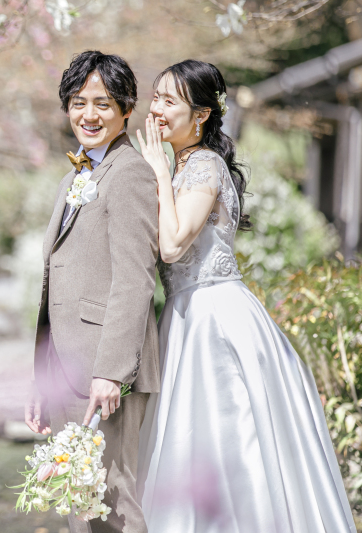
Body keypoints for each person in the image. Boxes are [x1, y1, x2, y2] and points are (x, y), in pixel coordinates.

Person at [135, 59, 355, 533]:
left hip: (214, 321)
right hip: (187, 316)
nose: (155, 109)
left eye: (169, 100)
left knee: (231, 438)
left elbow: (173, 246)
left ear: (201, 116)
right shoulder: (185, 165)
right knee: (192, 440)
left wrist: (155, 168)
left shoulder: (205, 165)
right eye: (155, 97)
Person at [25, 50, 159, 533]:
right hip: (66, 365)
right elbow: (54, 284)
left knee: (113, 501)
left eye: (103, 104)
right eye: (78, 102)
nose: (89, 115)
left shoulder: (130, 174)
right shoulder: (72, 177)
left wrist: (111, 372)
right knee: (79, 500)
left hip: (108, 368)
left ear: (127, 109)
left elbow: (135, 278)